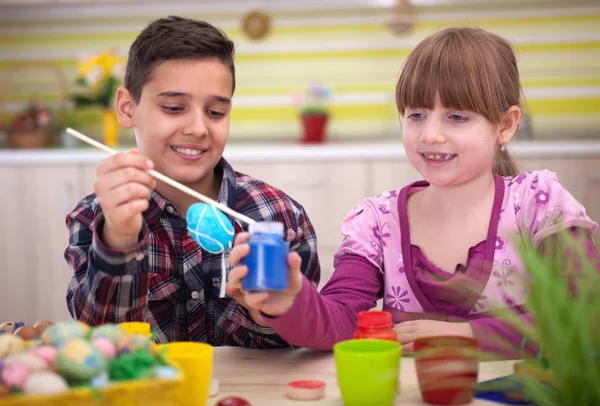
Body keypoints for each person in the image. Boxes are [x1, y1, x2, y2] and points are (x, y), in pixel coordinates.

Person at [226, 27, 598, 357]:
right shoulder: (377, 220)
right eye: (417, 114)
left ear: (505, 125)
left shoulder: (539, 203)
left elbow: (584, 318)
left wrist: (464, 336)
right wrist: (289, 301)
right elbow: (338, 324)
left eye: (457, 117)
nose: (430, 134)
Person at [64, 16, 320, 348]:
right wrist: (120, 237)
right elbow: (100, 341)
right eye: (173, 107)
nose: (198, 128)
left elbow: (307, 340)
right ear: (128, 108)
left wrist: (274, 313)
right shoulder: (96, 217)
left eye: (215, 112)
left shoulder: (280, 217)